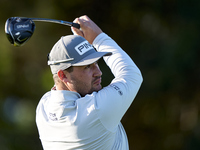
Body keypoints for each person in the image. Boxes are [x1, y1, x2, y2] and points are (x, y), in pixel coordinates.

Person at [36, 15, 143, 150]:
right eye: (87, 66)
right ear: (63, 75)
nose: (98, 72)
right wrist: (99, 37)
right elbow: (132, 75)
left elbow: (60, 90)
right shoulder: (96, 110)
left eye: (96, 63)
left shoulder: (43, 107)